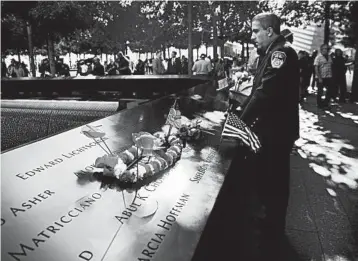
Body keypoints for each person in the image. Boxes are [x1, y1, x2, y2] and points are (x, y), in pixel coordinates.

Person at [236, 13, 300, 259]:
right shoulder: (273, 52)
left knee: (274, 181)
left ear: (270, 31)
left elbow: (264, 93)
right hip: (273, 130)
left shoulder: (280, 54)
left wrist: (240, 123)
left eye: (255, 31)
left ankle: (273, 233)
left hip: (276, 132)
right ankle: (270, 224)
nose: (252, 37)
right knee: (269, 179)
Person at [314, 43, 334, 108]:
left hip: (329, 76)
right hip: (321, 77)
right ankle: (319, 104)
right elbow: (316, 68)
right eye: (325, 48)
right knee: (320, 91)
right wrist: (319, 78)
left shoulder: (329, 56)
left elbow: (331, 65)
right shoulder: (318, 57)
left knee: (330, 90)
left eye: (327, 49)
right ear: (321, 49)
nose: (326, 50)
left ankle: (325, 103)